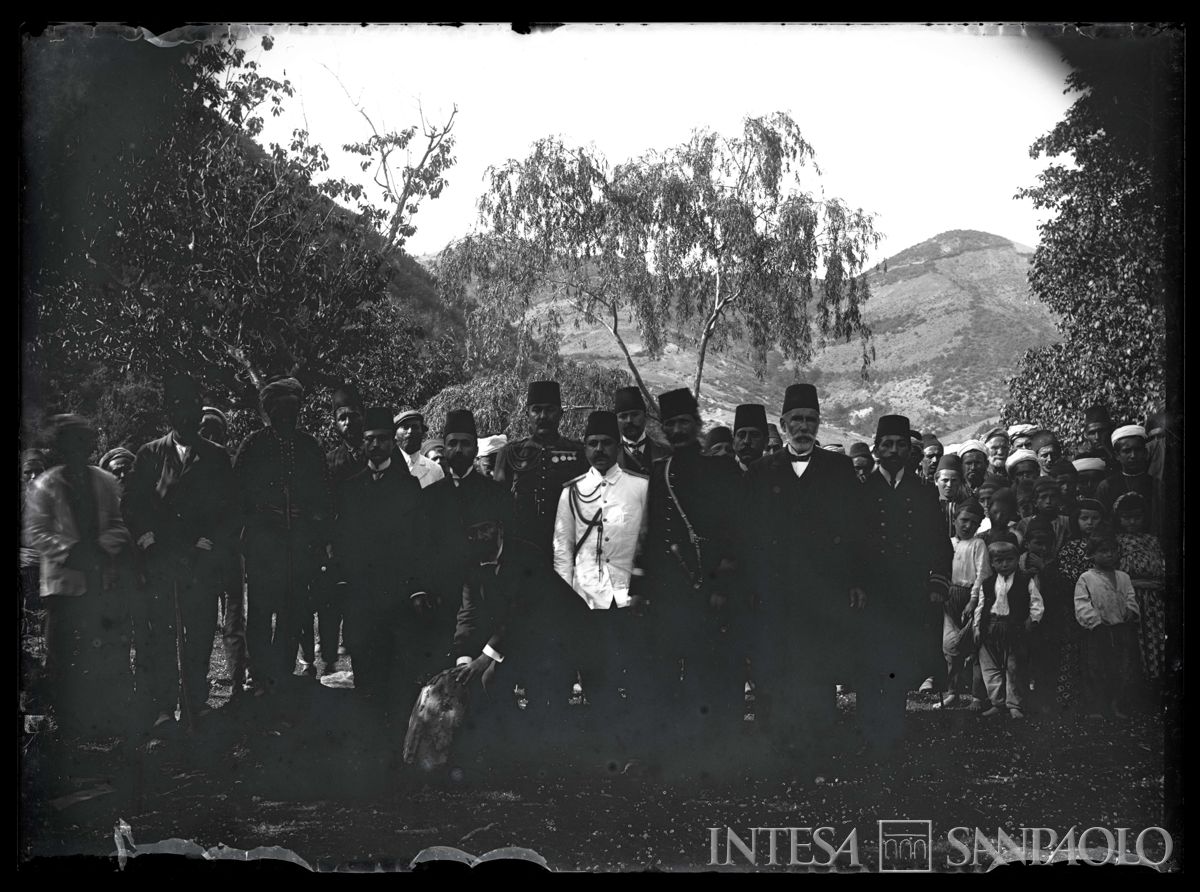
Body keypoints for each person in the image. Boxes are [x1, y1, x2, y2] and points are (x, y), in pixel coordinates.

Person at [745, 382, 862, 775]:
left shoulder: (840, 470)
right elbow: (752, 534)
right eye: (796, 419)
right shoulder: (763, 471)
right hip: (776, 590)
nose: (803, 426)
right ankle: (775, 750)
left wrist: (851, 581)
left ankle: (818, 750)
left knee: (818, 668)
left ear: (819, 423)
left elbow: (854, 531)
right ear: (782, 423)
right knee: (775, 667)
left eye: (811, 419)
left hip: (821, 590)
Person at [631, 387, 743, 777]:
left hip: (712, 589)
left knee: (713, 669)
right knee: (670, 668)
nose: (677, 430)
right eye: (670, 424)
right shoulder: (660, 474)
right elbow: (649, 534)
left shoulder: (722, 469)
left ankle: (720, 751)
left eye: (684, 422)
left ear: (697, 425)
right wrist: (643, 591)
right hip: (671, 591)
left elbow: (737, 534)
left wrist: (720, 586)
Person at [123, 374, 240, 730]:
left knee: (201, 631)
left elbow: (230, 507)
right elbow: (133, 504)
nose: (184, 414)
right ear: (168, 411)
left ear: (198, 410)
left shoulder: (217, 457)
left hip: (201, 560)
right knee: (163, 632)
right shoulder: (150, 454)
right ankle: (164, 706)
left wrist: (211, 542)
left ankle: (195, 702)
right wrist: (148, 541)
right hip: (161, 558)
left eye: (190, 406)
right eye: (176, 407)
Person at [451, 506, 589, 771]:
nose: (480, 536)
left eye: (485, 528)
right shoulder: (471, 561)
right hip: (521, 635)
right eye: (473, 531)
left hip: (560, 632)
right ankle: (516, 746)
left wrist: (484, 658)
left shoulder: (528, 556)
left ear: (499, 528)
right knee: (490, 680)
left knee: (545, 689)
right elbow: (468, 613)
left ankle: (552, 756)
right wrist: (463, 658)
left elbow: (520, 613)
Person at [24, 415, 132, 739]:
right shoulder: (46, 485)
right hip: (62, 584)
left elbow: (117, 524)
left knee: (100, 652)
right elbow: (36, 531)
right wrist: (70, 553)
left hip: (99, 581)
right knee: (60, 655)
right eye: (69, 444)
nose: (76, 451)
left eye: (82, 444)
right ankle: (63, 726)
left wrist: (102, 550)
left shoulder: (104, 481)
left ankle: (97, 723)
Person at [552, 410, 649, 765]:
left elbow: (646, 543)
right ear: (584, 448)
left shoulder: (640, 487)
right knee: (593, 674)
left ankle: (635, 745)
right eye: (592, 443)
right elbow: (562, 550)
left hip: (627, 598)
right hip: (585, 599)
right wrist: (566, 599)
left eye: (606, 442)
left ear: (617, 445)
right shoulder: (572, 492)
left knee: (633, 670)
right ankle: (605, 744)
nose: (600, 450)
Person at [855, 414, 951, 757]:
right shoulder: (862, 490)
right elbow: (850, 543)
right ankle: (867, 729)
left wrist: (937, 581)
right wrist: (855, 583)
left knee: (899, 660)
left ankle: (894, 729)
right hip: (871, 593)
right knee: (869, 661)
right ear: (877, 448)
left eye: (899, 444)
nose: (894, 450)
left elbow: (941, 542)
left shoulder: (922, 492)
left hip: (910, 591)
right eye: (887, 444)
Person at [234, 377, 333, 706]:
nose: (286, 417)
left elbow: (322, 494)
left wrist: (316, 533)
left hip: (300, 544)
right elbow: (239, 495)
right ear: (269, 411)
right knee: (261, 611)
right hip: (264, 545)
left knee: (294, 610)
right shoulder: (253, 445)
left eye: (292, 410)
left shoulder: (308, 446)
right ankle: (259, 675)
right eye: (279, 410)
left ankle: (282, 671)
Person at [337, 408, 434, 731]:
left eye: (382, 439)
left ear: (392, 443)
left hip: (397, 594)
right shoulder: (350, 487)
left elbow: (420, 541)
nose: (376, 446)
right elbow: (341, 541)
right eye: (369, 440)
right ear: (362, 443)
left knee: (397, 671)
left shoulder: (407, 487)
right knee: (364, 667)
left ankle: (396, 744)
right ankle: (367, 743)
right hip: (360, 594)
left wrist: (416, 587)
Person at [492, 381, 588, 553]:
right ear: (526, 413)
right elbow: (498, 505)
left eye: (550, 410)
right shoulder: (510, 453)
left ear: (561, 414)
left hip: (566, 547)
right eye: (536, 410)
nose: (543, 416)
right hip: (521, 548)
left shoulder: (579, 453)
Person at [972, 532, 1043, 719]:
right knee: (991, 668)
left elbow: (1036, 602)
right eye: (999, 561)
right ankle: (997, 703)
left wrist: (1032, 620)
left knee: (1014, 667)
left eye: (1009, 560)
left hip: (1015, 628)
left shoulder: (1025, 579)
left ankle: (1014, 705)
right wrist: (977, 627)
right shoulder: (987, 584)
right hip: (990, 627)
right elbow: (981, 606)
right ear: (992, 563)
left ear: (1017, 560)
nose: (1005, 565)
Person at [1074, 531, 1139, 719]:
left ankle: (1116, 705)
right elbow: (1082, 603)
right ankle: (1096, 708)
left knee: (1121, 668)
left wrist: (1131, 610)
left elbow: (1130, 596)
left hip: (1120, 629)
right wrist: (1094, 621)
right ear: (1091, 555)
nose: (1109, 555)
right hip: (1098, 631)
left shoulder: (1123, 577)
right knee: (1096, 668)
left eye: (1112, 551)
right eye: (1103, 551)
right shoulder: (1086, 578)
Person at [1053, 499, 1107, 715]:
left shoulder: (1106, 545)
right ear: (1076, 521)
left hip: (1103, 606)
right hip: (1075, 607)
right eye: (1085, 518)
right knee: (1073, 653)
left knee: (1098, 655)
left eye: (1095, 518)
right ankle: (1071, 701)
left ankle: (1097, 702)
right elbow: (1068, 577)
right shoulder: (1071, 547)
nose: (1090, 523)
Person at [1112, 492, 1166, 691]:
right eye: (1127, 517)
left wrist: (1155, 585)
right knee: (1132, 642)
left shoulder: (1152, 541)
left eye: (1137, 517)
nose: (1132, 522)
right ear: (1119, 519)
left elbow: (1160, 571)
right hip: (1130, 599)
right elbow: (1116, 575)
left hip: (1153, 602)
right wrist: (1144, 584)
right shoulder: (1117, 542)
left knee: (1154, 637)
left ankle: (1155, 682)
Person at [941, 500, 988, 710]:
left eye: (973, 523)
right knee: (950, 647)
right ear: (955, 520)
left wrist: (973, 600)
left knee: (975, 646)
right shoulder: (949, 543)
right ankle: (953, 692)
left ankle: (978, 696)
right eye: (964, 520)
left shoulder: (978, 544)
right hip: (949, 596)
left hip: (970, 597)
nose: (967, 526)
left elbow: (982, 575)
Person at [1096, 425, 1162, 534]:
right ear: (1117, 455)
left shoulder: (1156, 484)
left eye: (1138, 450)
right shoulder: (1106, 486)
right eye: (1127, 451)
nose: (1133, 455)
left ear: (1145, 452)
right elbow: (1102, 522)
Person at [614, 385, 670, 475]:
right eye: (623, 416)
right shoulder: (610, 456)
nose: (629, 421)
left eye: (635, 414)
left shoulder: (667, 451)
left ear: (645, 416)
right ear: (616, 420)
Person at [394, 409, 446, 490]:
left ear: (422, 433)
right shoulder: (386, 466)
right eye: (405, 427)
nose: (410, 431)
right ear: (395, 434)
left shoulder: (435, 469)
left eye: (415, 427)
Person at [933, 454, 967, 537]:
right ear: (936, 481)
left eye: (954, 480)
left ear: (960, 482)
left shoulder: (966, 505)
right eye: (945, 480)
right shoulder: (929, 504)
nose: (949, 484)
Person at [731, 404, 768, 472]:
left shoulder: (776, 476)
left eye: (754, 435)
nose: (747, 441)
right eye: (741, 435)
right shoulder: (723, 476)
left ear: (766, 442)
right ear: (733, 443)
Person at [1082, 405, 1118, 473]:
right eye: (1092, 433)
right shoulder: (1083, 461)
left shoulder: (1124, 455)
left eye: (1101, 431)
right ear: (1086, 435)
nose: (1097, 437)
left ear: (1111, 430)